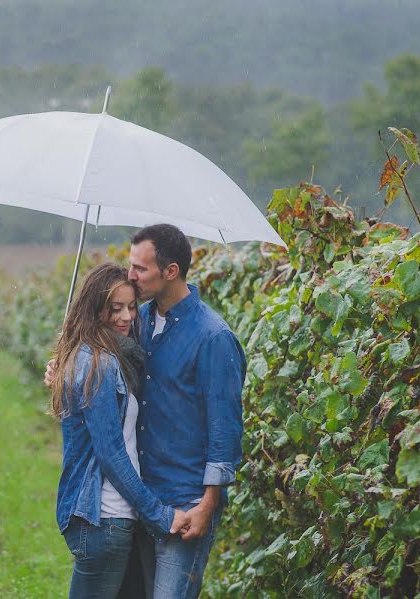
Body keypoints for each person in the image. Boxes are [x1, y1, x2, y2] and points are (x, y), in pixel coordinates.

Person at [46, 224, 245, 598]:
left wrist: (209, 503)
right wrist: (64, 367)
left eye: (140, 268)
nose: (131, 276)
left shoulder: (213, 337)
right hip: (138, 500)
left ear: (170, 271)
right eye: (130, 266)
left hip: (183, 503)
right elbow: (99, 375)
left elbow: (225, 430)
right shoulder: (137, 323)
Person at [50, 262, 189, 599]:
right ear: (95, 309)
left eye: (130, 307)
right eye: (115, 309)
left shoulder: (96, 357)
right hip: (106, 518)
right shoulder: (101, 363)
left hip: (101, 520)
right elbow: (111, 452)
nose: (127, 317)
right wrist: (160, 514)